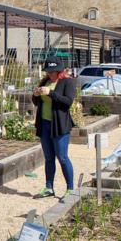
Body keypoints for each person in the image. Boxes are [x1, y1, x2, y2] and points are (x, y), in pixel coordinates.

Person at [31, 56, 76, 199]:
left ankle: (70, 188)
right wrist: (36, 94)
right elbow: (37, 102)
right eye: (48, 71)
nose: (50, 74)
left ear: (59, 71)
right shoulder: (45, 81)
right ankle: (49, 187)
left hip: (59, 125)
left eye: (53, 71)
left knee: (62, 157)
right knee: (49, 157)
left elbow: (67, 102)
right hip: (44, 123)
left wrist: (50, 93)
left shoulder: (67, 82)